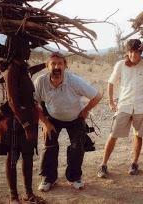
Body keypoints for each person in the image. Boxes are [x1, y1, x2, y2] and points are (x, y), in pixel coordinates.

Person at [35, 52, 102, 191]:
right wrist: (45, 123)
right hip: (52, 117)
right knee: (49, 146)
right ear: (47, 66)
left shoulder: (74, 81)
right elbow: (32, 103)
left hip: (75, 117)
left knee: (77, 147)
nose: (56, 67)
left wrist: (85, 111)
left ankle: (74, 177)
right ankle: (48, 178)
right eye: (53, 63)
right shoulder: (40, 82)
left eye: (60, 63)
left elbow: (97, 96)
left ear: (65, 66)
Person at [0, 34, 45, 204]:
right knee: (13, 157)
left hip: (28, 119)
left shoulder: (22, 67)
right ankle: (13, 196)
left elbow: (32, 72)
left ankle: (29, 194)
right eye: (26, 48)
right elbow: (13, 102)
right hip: (17, 122)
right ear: (18, 49)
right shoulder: (12, 70)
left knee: (28, 156)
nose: (29, 51)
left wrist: (48, 64)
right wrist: (25, 124)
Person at [97, 39, 143, 178]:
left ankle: (134, 163)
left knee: (138, 135)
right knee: (113, 134)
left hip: (140, 107)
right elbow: (111, 82)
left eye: (136, 52)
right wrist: (110, 102)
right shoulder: (121, 65)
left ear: (141, 52)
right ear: (127, 52)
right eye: (131, 52)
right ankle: (103, 165)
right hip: (124, 106)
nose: (133, 55)